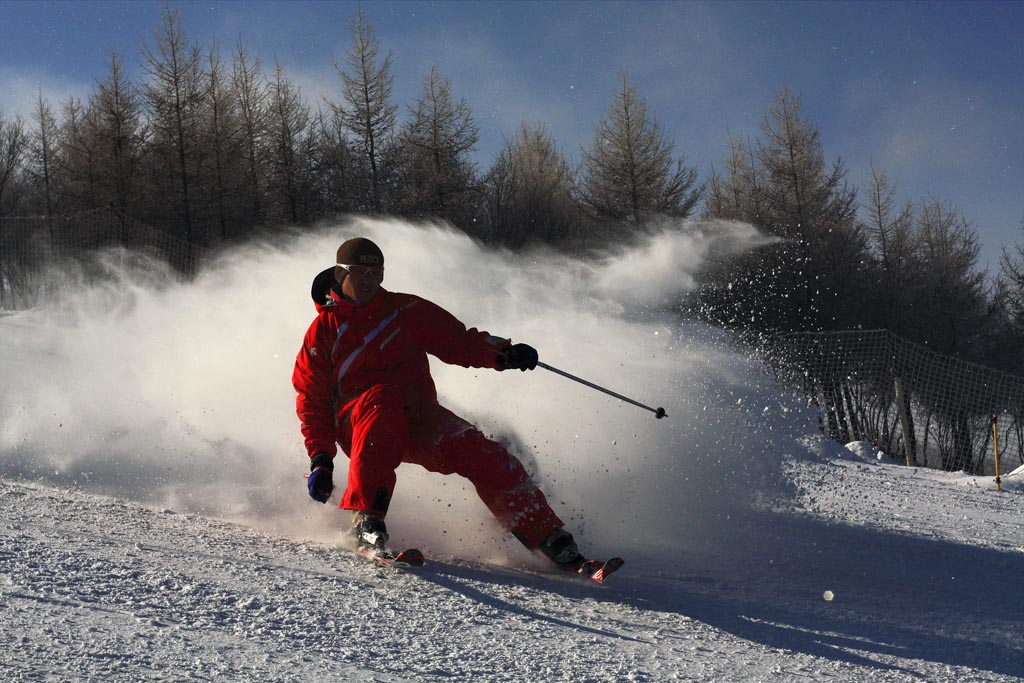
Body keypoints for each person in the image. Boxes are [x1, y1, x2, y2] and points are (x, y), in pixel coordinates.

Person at [292, 237, 586, 571]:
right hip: (358, 422)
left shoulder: (404, 312)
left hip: (417, 416)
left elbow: (459, 341)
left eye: (376, 272)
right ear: (340, 274)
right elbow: (311, 400)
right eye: (359, 271)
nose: (367, 280)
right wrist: (321, 459)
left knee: (477, 449)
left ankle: (546, 534)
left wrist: (503, 354)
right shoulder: (323, 333)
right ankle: (367, 520)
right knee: (382, 400)